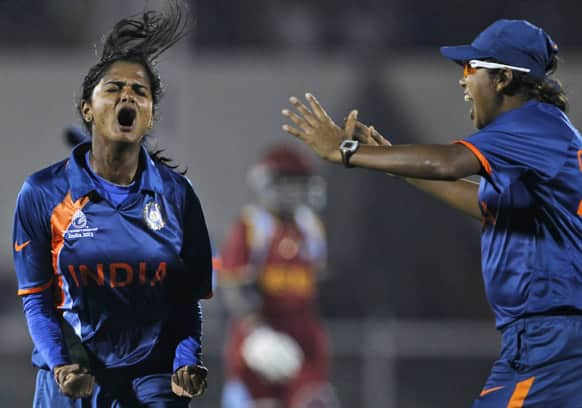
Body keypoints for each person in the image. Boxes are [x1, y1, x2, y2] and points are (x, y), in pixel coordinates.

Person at [282, 19, 582, 407]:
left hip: (550, 339)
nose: (462, 80)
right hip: (542, 340)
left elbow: (450, 162)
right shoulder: (538, 139)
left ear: (505, 78)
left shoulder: (530, 125)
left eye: (472, 68)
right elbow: (483, 203)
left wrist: (349, 153)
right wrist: (390, 162)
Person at [12, 2, 212, 406]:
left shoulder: (177, 195)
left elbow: (185, 301)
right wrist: (60, 364)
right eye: (114, 89)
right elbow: (37, 299)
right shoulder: (42, 194)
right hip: (73, 378)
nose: (128, 96)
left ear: (151, 115)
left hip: (151, 381)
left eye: (140, 91)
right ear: (88, 108)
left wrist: (187, 362)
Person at [219, 144, 338, 408]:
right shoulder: (251, 227)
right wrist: (257, 332)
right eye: (286, 183)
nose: (293, 192)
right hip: (261, 336)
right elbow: (235, 288)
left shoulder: (311, 228)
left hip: (302, 335)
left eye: (298, 183)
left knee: (313, 400)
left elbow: (314, 288)